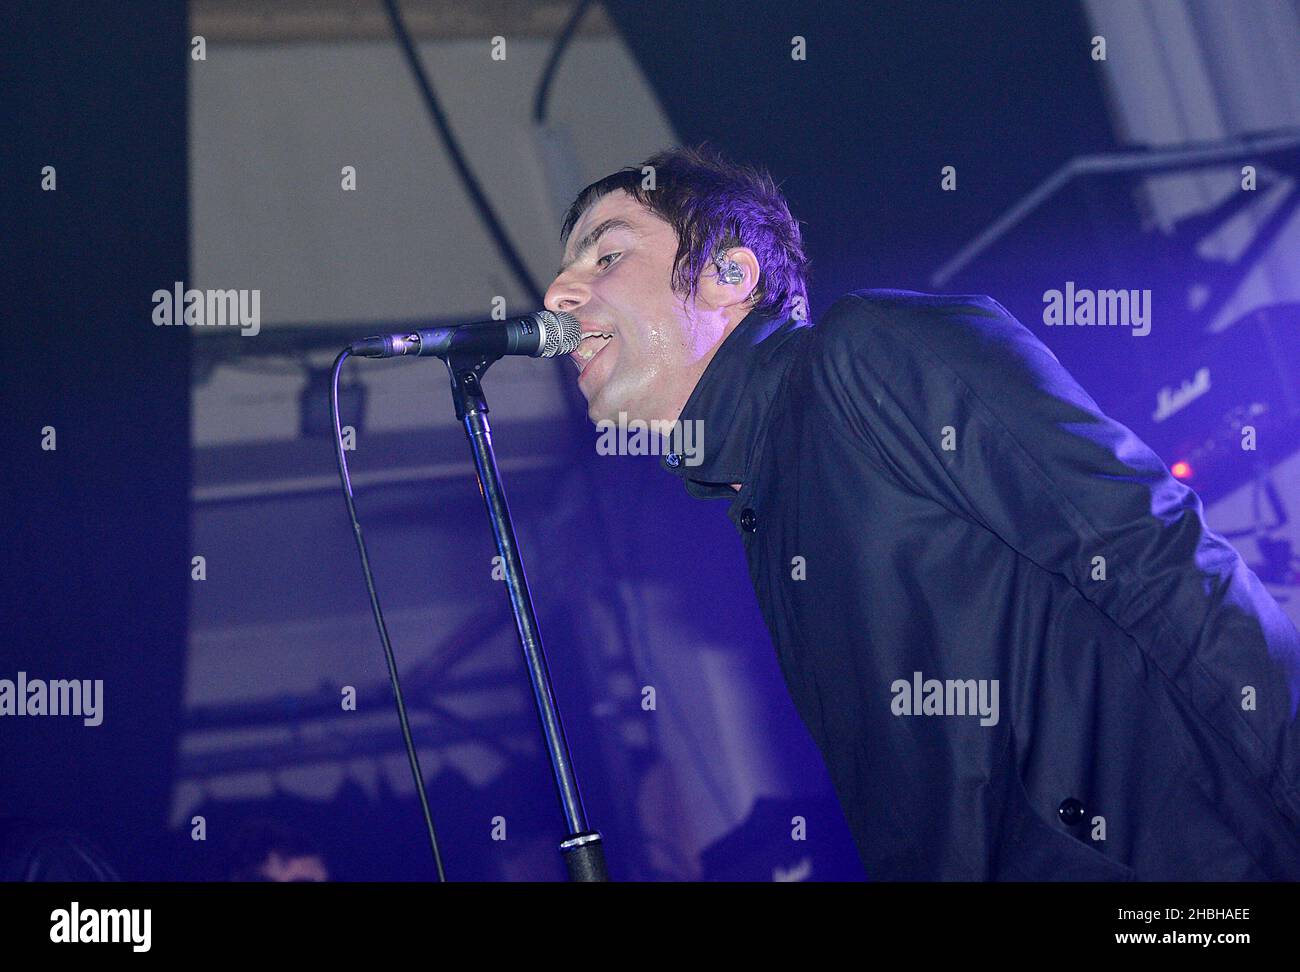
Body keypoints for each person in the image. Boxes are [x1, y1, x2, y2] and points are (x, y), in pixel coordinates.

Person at [543, 143, 1300, 880]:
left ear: (728, 273)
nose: (557, 295)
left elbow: (1153, 553)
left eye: (605, 256)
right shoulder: (758, 505)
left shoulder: (863, 354)